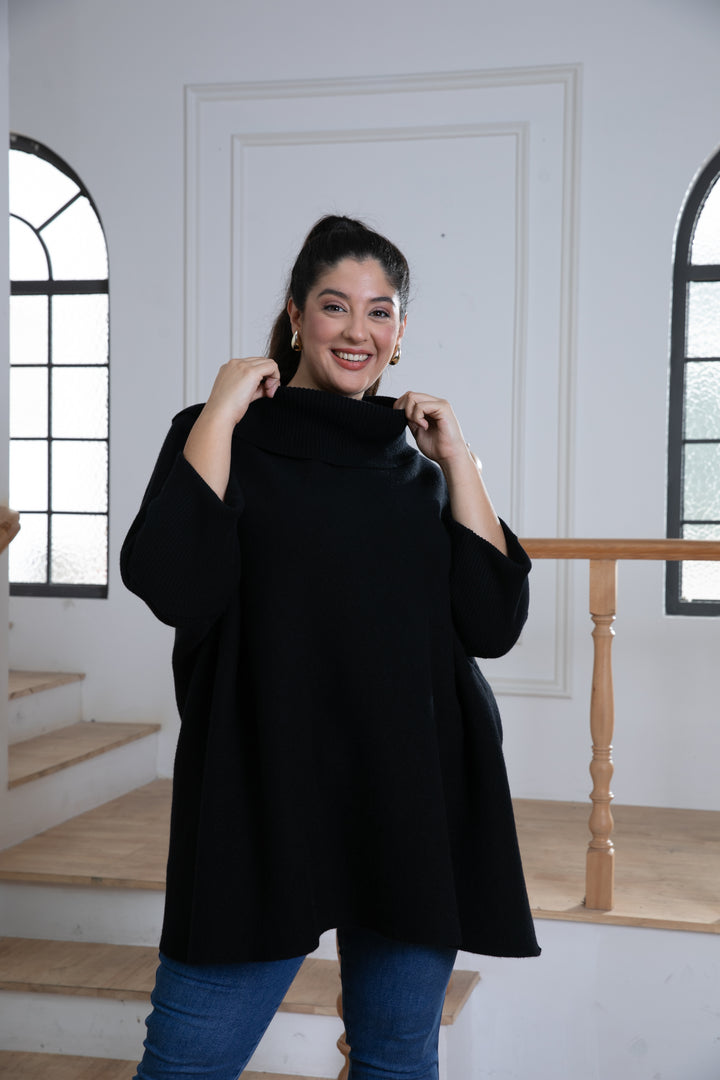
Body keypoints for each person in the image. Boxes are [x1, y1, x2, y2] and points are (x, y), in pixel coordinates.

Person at [121, 214, 540, 1080]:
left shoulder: (419, 466)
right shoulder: (222, 433)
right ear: (296, 314)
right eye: (335, 305)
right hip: (262, 792)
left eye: (381, 311)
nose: (359, 331)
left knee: (396, 1060)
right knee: (184, 1065)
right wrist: (222, 406)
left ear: (401, 331)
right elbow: (173, 582)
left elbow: (492, 624)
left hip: (411, 795)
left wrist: (459, 458)